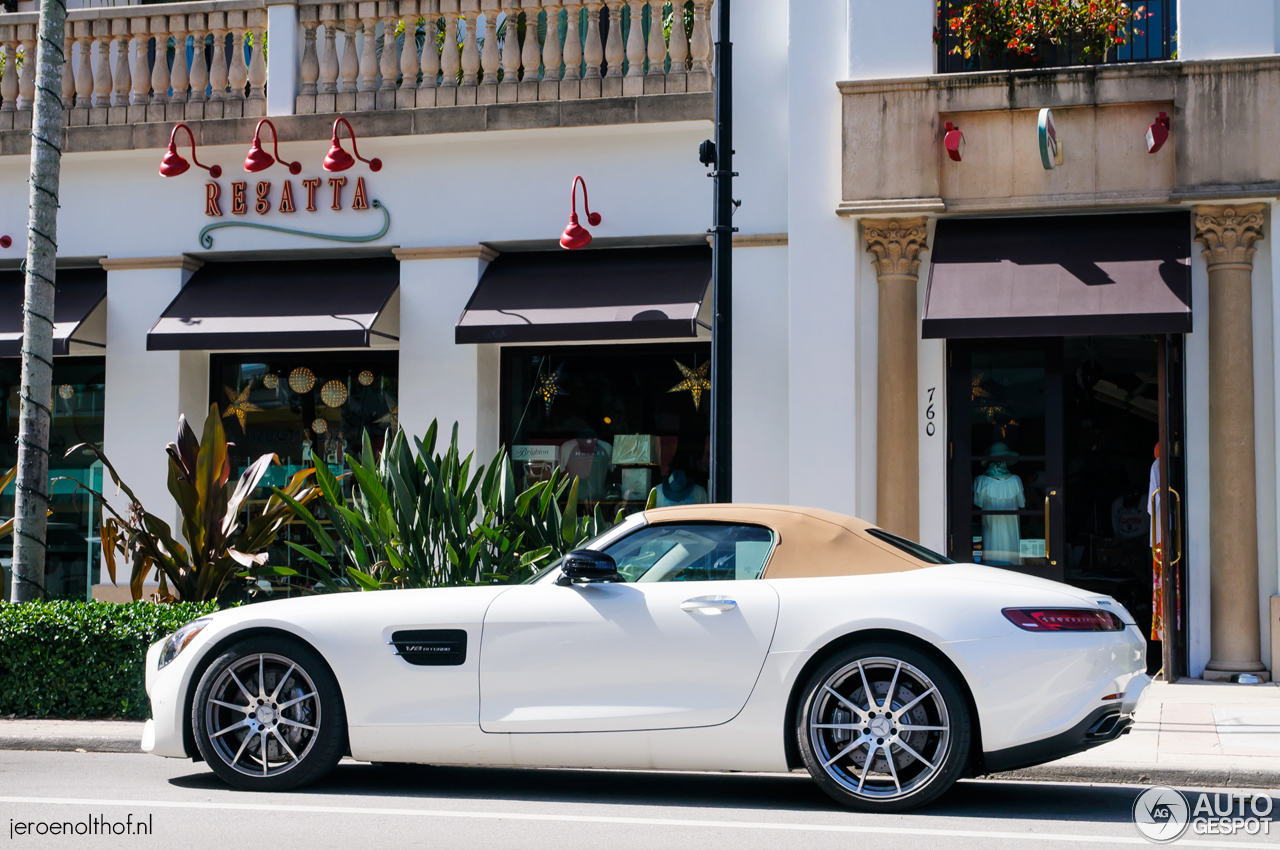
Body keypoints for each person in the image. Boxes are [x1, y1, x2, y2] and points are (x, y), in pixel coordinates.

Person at [973, 442, 1025, 565]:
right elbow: (1022, 504)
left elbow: (977, 503)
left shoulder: (981, 480)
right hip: (1005, 530)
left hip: (991, 529)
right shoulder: (1015, 481)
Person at [559, 428, 613, 502]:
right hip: (573, 501)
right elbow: (561, 475)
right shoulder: (566, 447)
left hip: (600, 501)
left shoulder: (607, 447)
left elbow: (613, 474)